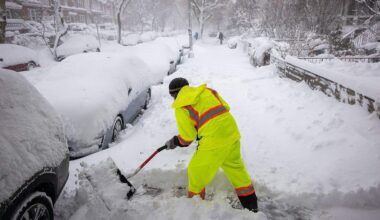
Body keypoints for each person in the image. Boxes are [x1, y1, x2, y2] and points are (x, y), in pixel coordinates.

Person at [165, 77, 258, 212]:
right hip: (231, 133)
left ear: (173, 95)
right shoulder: (207, 91)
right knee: (236, 170)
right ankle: (252, 206)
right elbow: (225, 107)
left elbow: (187, 137)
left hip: (213, 140)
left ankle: (194, 208)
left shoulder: (181, 105)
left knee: (195, 171)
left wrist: (175, 141)